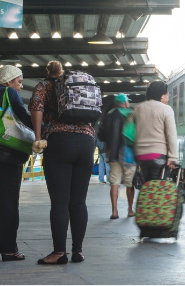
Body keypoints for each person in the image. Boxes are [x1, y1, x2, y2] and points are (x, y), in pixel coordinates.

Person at [29, 61, 95, 264]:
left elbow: (36, 109)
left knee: (60, 201)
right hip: (86, 142)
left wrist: (39, 138)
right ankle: (78, 251)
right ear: (63, 73)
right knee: (79, 201)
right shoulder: (77, 85)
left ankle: (59, 253)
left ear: (47, 72)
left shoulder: (44, 86)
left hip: (59, 141)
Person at [0, 65, 33, 262]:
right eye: (19, 82)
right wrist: (45, 130)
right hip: (7, 156)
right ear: (9, 81)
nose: (20, 86)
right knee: (8, 202)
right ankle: (9, 249)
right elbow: (24, 118)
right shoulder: (8, 92)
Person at [97, 94, 136, 219]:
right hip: (129, 155)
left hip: (113, 154)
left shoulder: (108, 117)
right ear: (125, 103)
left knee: (114, 183)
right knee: (130, 184)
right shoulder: (131, 115)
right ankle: (130, 210)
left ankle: (114, 211)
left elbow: (101, 136)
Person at [133, 81, 178, 181]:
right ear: (161, 95)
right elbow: (171, 135)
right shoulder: (166, 109)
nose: (168, 98)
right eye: (167, 94)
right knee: (157, 188)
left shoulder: (137, 109)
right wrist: (173, 157)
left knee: (147, 185)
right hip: (158, 155)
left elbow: (131, 131)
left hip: (140, 155)